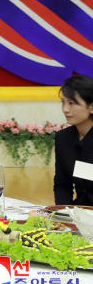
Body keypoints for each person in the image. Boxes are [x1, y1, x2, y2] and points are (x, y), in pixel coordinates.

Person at [54, 74, 93, 205]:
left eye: (72, 103)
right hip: (79, 212)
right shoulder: (63, 138)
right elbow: (62, 185)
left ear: (91, 107)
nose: (65, 109)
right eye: (63, 102)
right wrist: (65, 214)